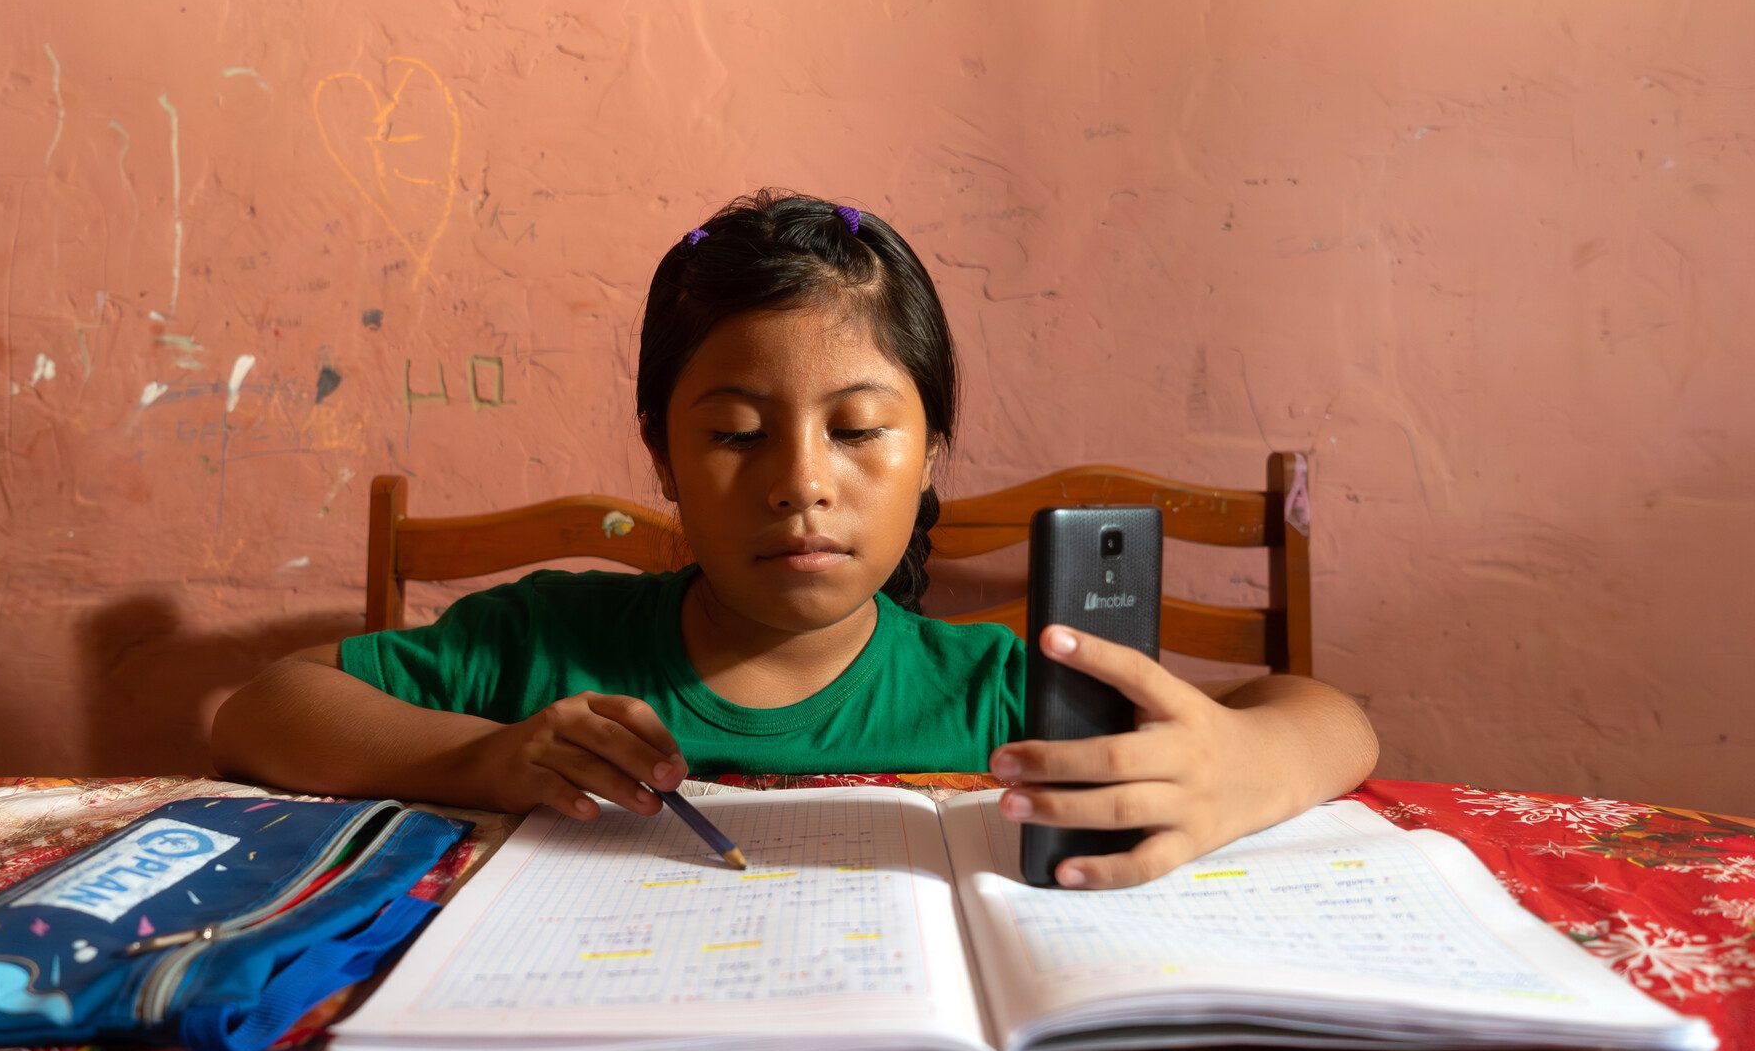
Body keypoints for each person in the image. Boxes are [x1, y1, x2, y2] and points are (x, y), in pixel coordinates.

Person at [212, 190, 1377, 889]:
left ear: (929, 455)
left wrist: (1245, 767)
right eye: (732, 433)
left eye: (859, 429)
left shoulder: (997, 693)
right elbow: (263, 707)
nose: (799, 483)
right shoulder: (544, 648)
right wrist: (483, 759)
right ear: (663, 458)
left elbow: (1330, 719)